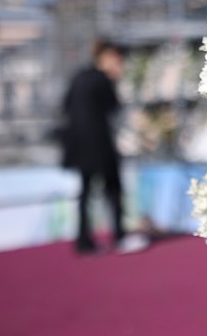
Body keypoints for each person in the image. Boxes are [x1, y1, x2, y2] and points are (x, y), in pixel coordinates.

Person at [60, 40, 144, 254]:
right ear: (106, 56)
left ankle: (83, 242)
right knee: (114, 190)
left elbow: (65, 105)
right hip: (99, 145)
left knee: (85, 193)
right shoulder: (102, 79)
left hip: (79, 145)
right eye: (117, 58)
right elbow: (113, 106)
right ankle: (119, 236)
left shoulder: (79, 77)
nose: (120, 63)